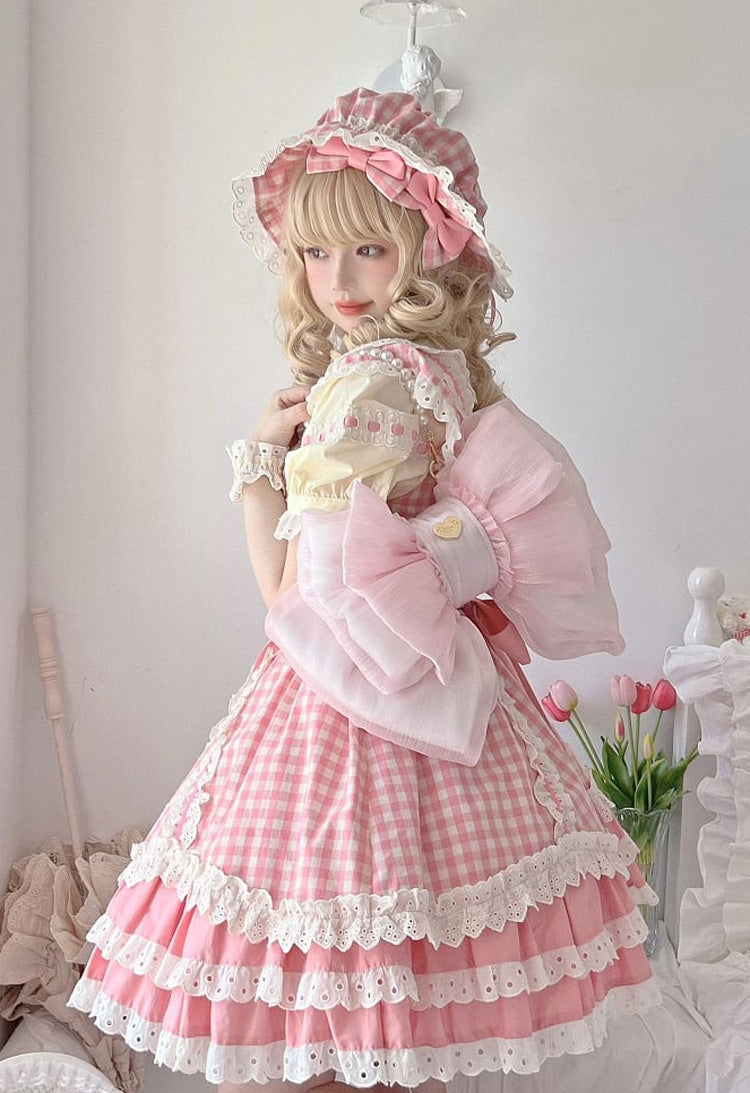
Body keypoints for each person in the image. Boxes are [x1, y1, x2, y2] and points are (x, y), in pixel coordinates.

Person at [68, 88, 661, 1091]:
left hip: (348, 700)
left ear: (426, 251)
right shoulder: (436, 371)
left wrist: (259, 465)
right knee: (404, 1008)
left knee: (337, 1010)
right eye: (314, 252)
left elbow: (291, 596)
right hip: (425, 682)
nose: (337, 279)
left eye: (369, 250)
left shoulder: (368, 385)